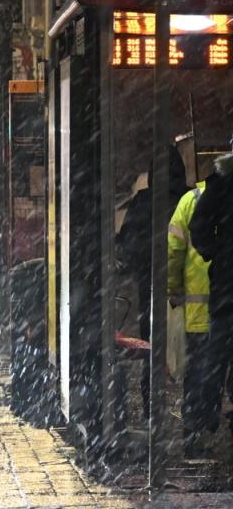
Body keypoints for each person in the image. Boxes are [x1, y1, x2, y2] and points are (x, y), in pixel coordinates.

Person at [117, 145, 190, 411]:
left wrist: (140, 265)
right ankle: (191, 409)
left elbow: (127, 241)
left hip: (150, 284)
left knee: (152, 346)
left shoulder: (143, 201)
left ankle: (152, 404)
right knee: (188, 346)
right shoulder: (189, 198)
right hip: (186, 287)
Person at [190, 140, 233, 450]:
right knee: (216, 356)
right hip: (226, 285)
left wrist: (215, 252)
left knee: (215, 356)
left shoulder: (220, 181)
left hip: (226, 285)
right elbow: (199, 226)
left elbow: (199, 226)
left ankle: (207, 417)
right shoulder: (222, 181)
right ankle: (208, 415)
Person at [167, 179, 214, 456]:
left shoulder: (191, 199)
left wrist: (173, 288)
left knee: (197, 375)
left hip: (198, 311)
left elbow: (173, 249)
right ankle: (208, 427)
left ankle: (194, 436)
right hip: (223, 305)